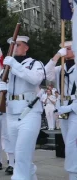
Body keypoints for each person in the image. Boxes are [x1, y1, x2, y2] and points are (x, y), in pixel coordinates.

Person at [0, 36, 45, 179]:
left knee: (22, 152)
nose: (15, 47)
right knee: (20, 154)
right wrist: (0, 87)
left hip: (29, 112)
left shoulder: (34, 63)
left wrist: (15, 65)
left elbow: (35, 79)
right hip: (11, 112)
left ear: (26, 48)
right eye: (13, 45)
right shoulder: (6, 67)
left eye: (18, 45)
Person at [45, 41, 77, 180]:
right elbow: (46, 74)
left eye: (69, 48)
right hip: (63, 109)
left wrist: (71, 107)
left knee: (71, 143)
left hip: (75, 108)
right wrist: (57, 55)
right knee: (67, 142)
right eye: (64, 49)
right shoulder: (59, 70)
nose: (66, 50)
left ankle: (72, 174)